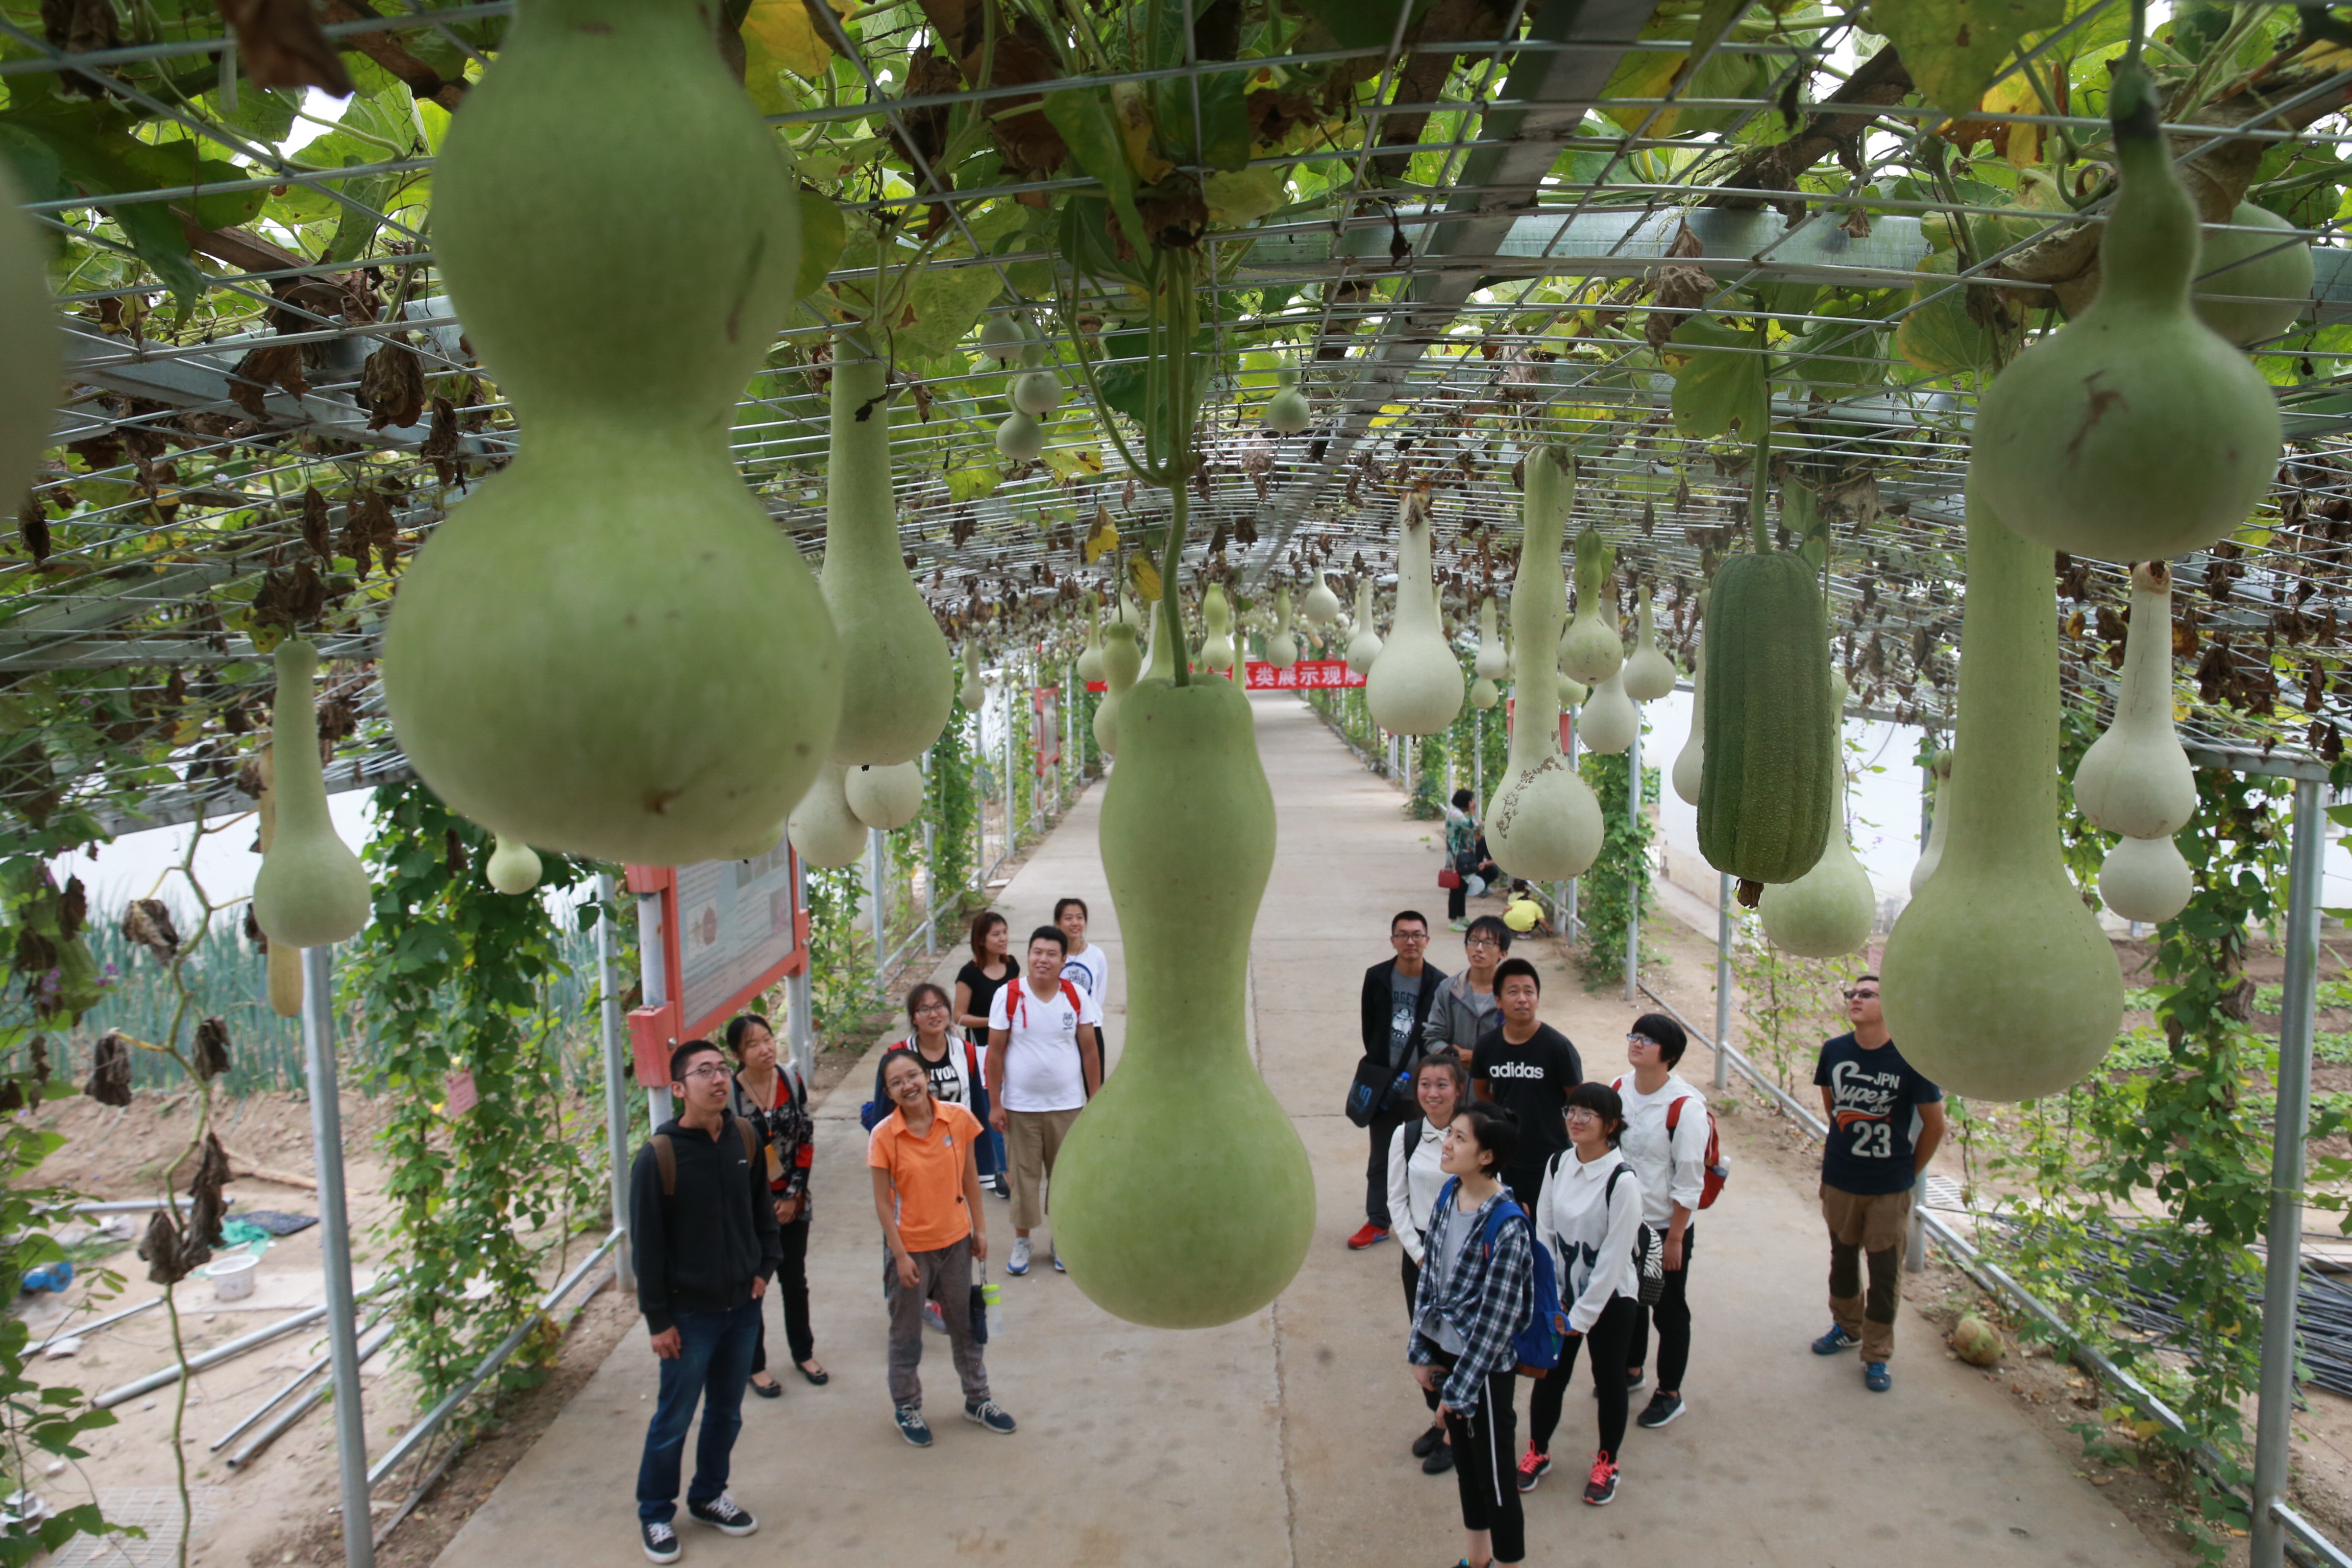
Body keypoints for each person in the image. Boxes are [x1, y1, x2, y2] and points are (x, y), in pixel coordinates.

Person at [630, 1040, 778, 1564]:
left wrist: (764, 1270)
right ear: (678, 1088)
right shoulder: (659, 1157)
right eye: (704, 1072)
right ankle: (655, 1512)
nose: (718, 1080)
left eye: (722, 1069)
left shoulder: (744, 1136)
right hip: (688, 1317)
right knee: (674, 1417)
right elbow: (646, 1246)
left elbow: (764, 1209)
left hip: (742, 1307)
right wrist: (659, 1320)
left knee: (726, 1412)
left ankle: (709, 1494)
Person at [869, 1047, 1017, 1447]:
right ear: (889, 1091)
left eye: (913, 1076)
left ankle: (978, 1399)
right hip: (911, 1250)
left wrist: (980, 1230)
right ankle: (907, 1407)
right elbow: (883, 1202)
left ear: (926, 1076)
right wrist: (899, 1255)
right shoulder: (884, 1135)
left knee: (965, 1327)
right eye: (897, 1082)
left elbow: (971, 1179)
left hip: (955, 1243)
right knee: (906, 1334)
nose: (908, 1086)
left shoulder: (957, 1119)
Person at [1409, 1104, 1534, 1568]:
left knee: (1497, 1479)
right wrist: (1421, 1350)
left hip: (1482, 1369)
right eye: (1451, 1134)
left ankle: (1507, 1562)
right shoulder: (1449, 1194)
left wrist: (1457, 1392)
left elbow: (1497, 1322)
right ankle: (1476, 1559)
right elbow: (1430, 1278)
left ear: (1487, 1156)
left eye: (1460, 1138)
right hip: (1448, 1352)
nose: (1447, 1142)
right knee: (1467, 1470)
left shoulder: (1506, 1225)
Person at [1810, 973, 1945, 1391]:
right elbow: (1834, 1109)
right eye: (1852, 993)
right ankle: (1847, 1327)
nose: (1856, 999)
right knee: (1843, 1261)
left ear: (1892, 1006)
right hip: (1841, 1179)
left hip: (1889, 1186)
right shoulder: (1834, 1051)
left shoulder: (1911, 1058)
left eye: (1867, 994)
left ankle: (1876, 1353)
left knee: (1885, 1273)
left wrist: (1906, 1171)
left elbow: (1935, 1126)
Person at [1522, 1082, 1646, 1507]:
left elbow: (1614, 1259)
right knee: (1550, 1375)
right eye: (1571, 1111)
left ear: (1610, 1126)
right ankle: (1538, 1451)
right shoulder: (1558, 1164)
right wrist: (1553, 1297)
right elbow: (1545, 1232)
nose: (1575, 1120)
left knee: (1609, 1378)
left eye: (1587, 1114)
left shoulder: (1622, 1181)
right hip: (1562, 1297)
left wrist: (1581, 1317)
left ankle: (1607, 1463)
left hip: (1611, 1300)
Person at [1608, 1014, 1708, 1429]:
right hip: (1622, 1221)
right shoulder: (1618, 1089)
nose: (1636, 1042)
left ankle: (1670, 1391)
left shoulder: (1685, 1108)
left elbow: (1690, 1179)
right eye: (1634, 1034)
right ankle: (1632, 1370)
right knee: (1626, 1301)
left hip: (1664, 1227)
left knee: (1668, 1310)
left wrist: (1675, 1241)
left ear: (1667, 1055)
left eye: (1647, 1039)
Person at [985, 925, 1103, 1276]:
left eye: (1052, 954)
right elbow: (995, 1054)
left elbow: (1089, 1050)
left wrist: (1094, 1100)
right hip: (1020, 1107)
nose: (1043, 960)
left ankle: (1061, 1240)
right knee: (1022, 1179)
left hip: (1067, 1106)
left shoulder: (1077, 996)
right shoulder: (1008, 995)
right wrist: (995, 1104)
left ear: (1063, 961)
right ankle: (1023, 1241)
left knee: (1064, 1177)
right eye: (1037, 952)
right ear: (1028, 955)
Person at [724, 1014, 823, 1399]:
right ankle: (755, 1365)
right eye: (753, 1045)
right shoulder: (731, 1096)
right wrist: (766, 1205)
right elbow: (730, 1160)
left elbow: (806, 1137)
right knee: (754, 1286)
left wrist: (793, 1195)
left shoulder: (789, 1079)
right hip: (750, 1209)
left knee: (795, 1281)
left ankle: (804, 1354)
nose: (765, 1049)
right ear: (737, 1054)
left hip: (793, 1201)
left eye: (768, 1039)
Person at [1389, 1046, 1471, 1475]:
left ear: (1459, 1089)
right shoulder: (1405, 1136)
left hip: (1463, 1255)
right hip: (1420, 1255)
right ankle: (1441, 1419)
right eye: (1426, 1084)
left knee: (1458, 1347)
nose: (1433, 1093)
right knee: (1427, 1344)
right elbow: (1396, 1202)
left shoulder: (1476, 1135)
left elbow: (1489, 1196)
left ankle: (1455, 1433)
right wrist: (1420, 1255)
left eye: (1442, 1084)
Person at [1351, 910, 1450, 1251]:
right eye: (1403, 935)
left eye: (1417, 935)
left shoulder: (1440, 984)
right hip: (1384, 1085)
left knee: (1428, 1156)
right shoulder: (1377, 977)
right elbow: (1370, 1029)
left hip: (1424, 1088)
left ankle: (1430, 1221)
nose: (1411, 941)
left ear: (1427, 940)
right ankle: (1378, 1220)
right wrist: (1383, 1069)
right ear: (1393, 940)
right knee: (1381, 1156)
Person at [1471, 957, 1584, 1211]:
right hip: (1505, 1159)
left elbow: (1578, 1101)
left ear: (1538, 999)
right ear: (1498, 1001)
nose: (1522, 998)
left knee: (1545, 1236)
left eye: (1529, 992)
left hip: (1551, 1158)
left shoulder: (1558, 1048)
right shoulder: (1487, 1046)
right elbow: (1482, 1094)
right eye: (1513, 992)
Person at [870, 983, 997, 1189]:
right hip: (913, 1155)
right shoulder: (896, 1056)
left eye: (939, 1006)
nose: (934, 1014)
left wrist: (985, 1165)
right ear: (913, 1017)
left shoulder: (966, 1052)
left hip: (954, 1150)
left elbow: (977, 1111)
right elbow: (883, 1115)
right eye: (924, 1009)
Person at [955, 912, 1016, 1197]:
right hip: (983, 1050)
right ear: (981, 940)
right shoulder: (969, 974)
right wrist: (994, 1022)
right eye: (996, 934)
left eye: (1004, 932)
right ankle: (1000, 1171)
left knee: (1013, 1102)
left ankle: (1014, 1164)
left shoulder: (1012, 964)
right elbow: (959, 1017)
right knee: (995, 1105)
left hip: (1014, 1047)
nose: (1003, 939)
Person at [1425, 915, 1512, 1053]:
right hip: (1455, 1072)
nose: (1479, 948)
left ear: (1503, 953)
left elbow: (1519, 1042)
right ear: (1466, 947)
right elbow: (1433, 1037)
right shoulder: (1449, 989)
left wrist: (1479, 1060)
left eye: (1488, 943)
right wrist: (1455, 1055)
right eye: (1474, 941)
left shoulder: (1512, 995)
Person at [1443, 791, 1498, 928]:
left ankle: (1461, 917)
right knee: (1456, 890)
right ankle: (1453, 921)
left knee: (1462, 888)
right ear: (1467, 802)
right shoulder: (1456, 815)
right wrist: (1473, 811)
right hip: (1458, 858)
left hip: (1462, 857)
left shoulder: (1457, 814)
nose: (1474, 802)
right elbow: (1476, 827)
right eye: (1472, 801)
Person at [1054, 897, 1109, 1006]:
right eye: (1069, 918)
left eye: (1080, 918)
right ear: (1057, 924)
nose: (1075, 923)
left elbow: (1099, 995)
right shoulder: (1052, 956)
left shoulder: (1097, 955)